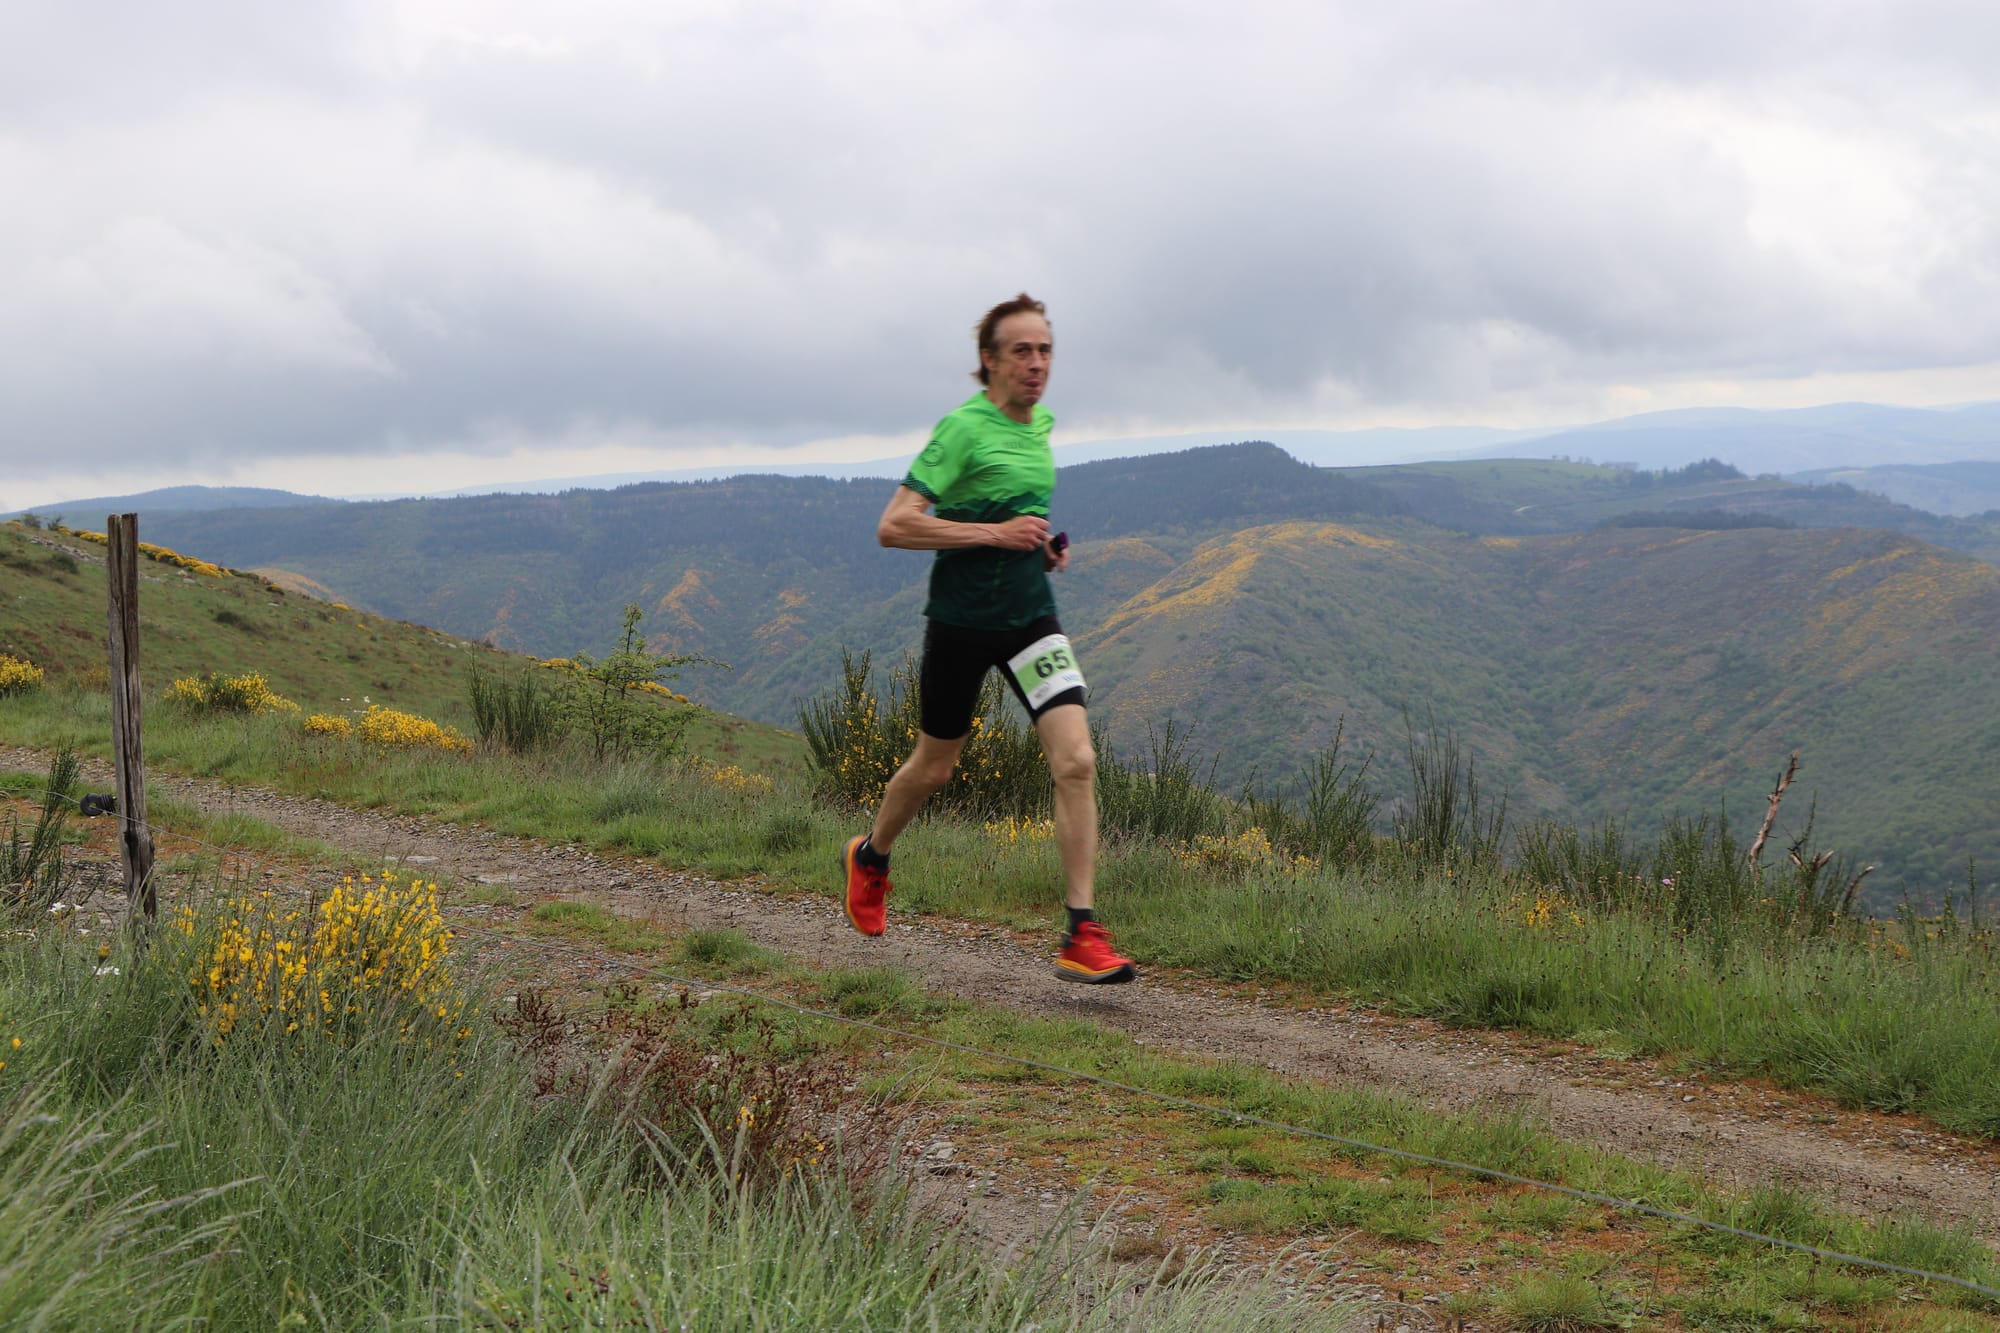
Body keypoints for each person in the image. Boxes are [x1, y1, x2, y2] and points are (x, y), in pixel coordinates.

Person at [841, 294, 1135, 984]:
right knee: (935, 769)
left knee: (1078, 760)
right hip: (962, 623)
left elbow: (1016, 511)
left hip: (1032, 615)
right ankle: (873, 855)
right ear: (990, 360)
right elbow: (896, 525)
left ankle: (1081, 930)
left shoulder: (1040, 425)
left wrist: (1039, 547)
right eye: (1023, 351)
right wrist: (993, 535)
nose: (1038, 364)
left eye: (1046, 350)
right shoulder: (963, 429)